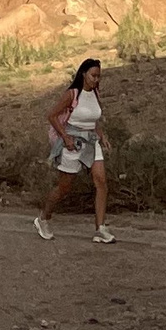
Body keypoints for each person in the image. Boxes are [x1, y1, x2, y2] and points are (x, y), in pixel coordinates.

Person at [34, 58, 113, 244]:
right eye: (93, 75)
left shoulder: (96, 94)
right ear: (84, 74)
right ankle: (43, 218)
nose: (96, 80)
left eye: (98, 76)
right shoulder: (72, 94)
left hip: (91, 141)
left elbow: (94, 121)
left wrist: (103, 136)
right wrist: (65, 137)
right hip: (73, 142)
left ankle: (100, 228)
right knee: (64, 187)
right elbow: (52, 116)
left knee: (101, 181)